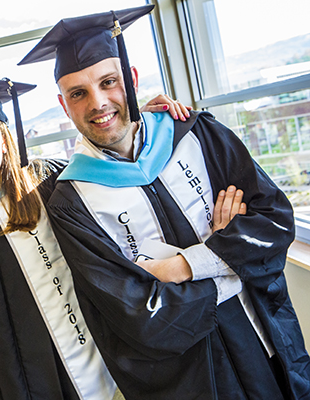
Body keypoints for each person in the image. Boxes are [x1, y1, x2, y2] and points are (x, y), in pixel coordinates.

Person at [19, 4, 310, 400]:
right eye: (79, 93)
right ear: (64, 104)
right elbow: (132, 312)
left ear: (132, 79)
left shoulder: (196, 134)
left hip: (265, 338)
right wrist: (232, 258)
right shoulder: (71, 202)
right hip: (190, 376)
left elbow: (273, 220)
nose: (98, 102)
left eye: (109, 82)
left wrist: (181, 267)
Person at [0, 71, 219, 399]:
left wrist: (141, 122)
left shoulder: (48, 182)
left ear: (4, 138)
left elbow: (113, 173)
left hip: (67, 354)